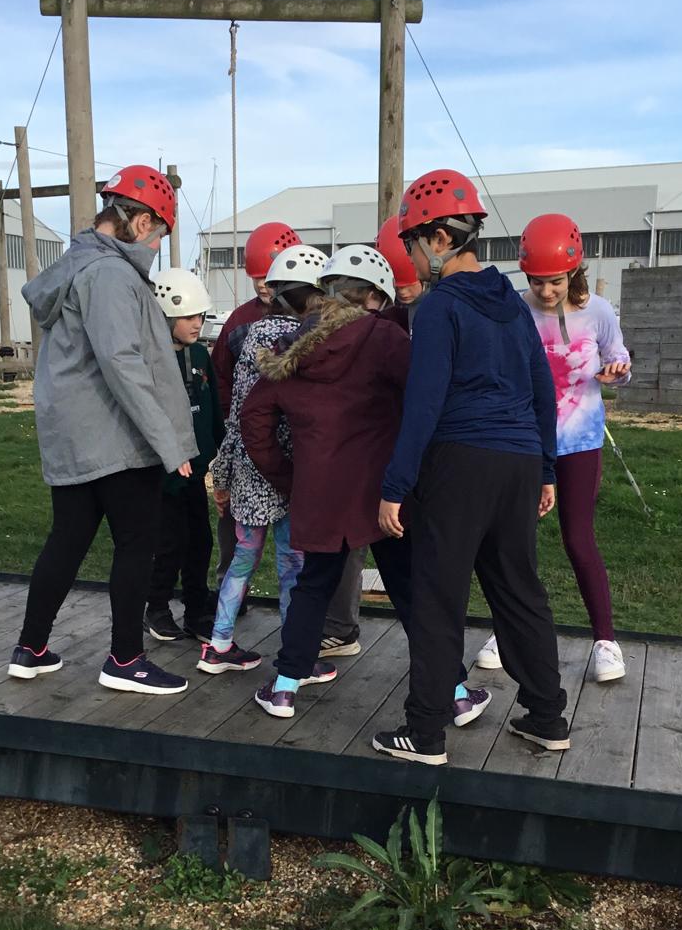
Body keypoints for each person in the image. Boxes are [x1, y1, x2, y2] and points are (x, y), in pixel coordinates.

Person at [241, 244, 490, 736]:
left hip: (321, 495)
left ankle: (285, 687)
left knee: (314, 586)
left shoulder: (294, 346)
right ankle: (457, 693)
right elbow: (424, 399)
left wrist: (288, 477)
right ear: (375, 296)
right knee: (412, 592)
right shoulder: (384, 337)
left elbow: (254, 420)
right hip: (384, 493)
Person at [374, 168, 569, 764]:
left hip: (460, 463)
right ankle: (547, 717)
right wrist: (546, 468)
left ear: (439, 239)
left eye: (411, 245)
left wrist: (395, 485)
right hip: (518, 464)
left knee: (438, 596)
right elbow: (541, 389)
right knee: (519, 589)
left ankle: (425, 733)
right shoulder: (511, 304)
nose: (411, 260)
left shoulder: (441, 308)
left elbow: (424, 403)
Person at [9, 165, 197, 695]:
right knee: (137, 543)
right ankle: (126, 659)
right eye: (159, 235)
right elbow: (123, 361)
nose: (156, 247)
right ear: (141, 223)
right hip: (118, 435)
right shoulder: (112, 274)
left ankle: (31, 648)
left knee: (67, 541)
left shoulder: (77, 265)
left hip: (75, 434)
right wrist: (167, 442)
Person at [475, 213, 632, 684]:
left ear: (574, 272)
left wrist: (618, 371)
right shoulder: (514, 310)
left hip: (580, 442)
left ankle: (605, 641)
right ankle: (508, 632)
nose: (546, 292)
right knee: (513, 542)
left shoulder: (598, 311)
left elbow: (619, 357)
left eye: (556, 281)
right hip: (524, 441)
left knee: (577, 538)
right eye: (537, 282)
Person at [198, 242, 330, 675]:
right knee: (293, 564)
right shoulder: (303, 341)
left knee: (244, 557)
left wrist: (223, 473)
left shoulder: (249, 334)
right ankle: (295, 655)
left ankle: (219, 643)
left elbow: (238, 412)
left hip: (249, 470)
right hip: (290, 469)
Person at [316, 215, 429, 663]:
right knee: (401, 575)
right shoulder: (388, 331)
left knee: (320, 575)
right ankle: (450, 680)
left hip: (352, 472)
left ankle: (290, 673)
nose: (405, 291)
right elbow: (420, 395)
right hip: (384, 470)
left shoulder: (317, 338)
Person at [210, 221, 303, 584]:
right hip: (245, 442)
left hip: (291, 445)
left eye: (270, 277)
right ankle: (232, 594)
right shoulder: (239, 321)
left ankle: (300, 605)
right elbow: (221, 377)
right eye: (256, 277)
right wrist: (229, 431)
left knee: (292, 546)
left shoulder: (308, 319)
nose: (263, 284)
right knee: (237, 538)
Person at [144, 269, 225, 644]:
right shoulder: (151, 361)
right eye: (189, 316)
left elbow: (213, 408)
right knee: (169, 542)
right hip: (164, 473)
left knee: (201, 541)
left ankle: (196, 609)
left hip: (196, 468)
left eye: (201, 316)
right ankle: (157, 607)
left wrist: (219, 449)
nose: (197, 323)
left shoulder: (200, 356)